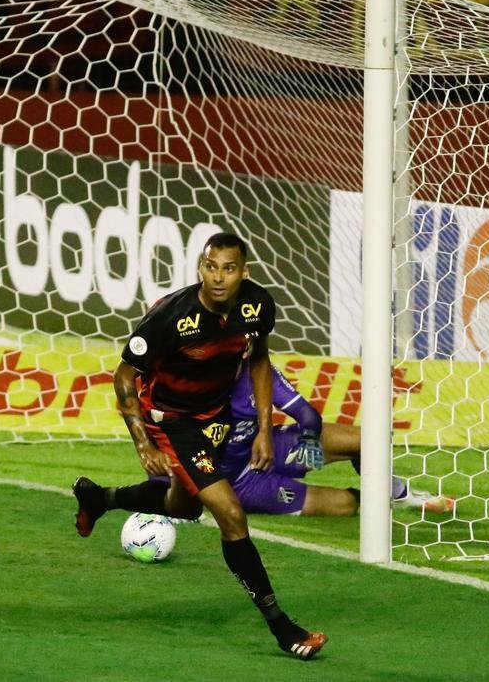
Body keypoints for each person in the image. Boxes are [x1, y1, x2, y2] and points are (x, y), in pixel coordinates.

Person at [73, 232, 327, 661]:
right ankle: (283, 628)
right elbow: (123, 376)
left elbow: (259, 358)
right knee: (229, 512)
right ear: (200, 268)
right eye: (211, 267)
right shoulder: (173, 317)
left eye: (229, 269)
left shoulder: (257, 306)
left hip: (216, 416)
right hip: (169, 420)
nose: (219, 278)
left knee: (186, 506)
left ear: (243, 272)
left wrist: (266, 427)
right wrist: (141, 441)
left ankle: (100, 498)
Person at [221, 360, 457, 517]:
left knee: (367, 440)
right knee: (345, 504)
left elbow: (307, 413)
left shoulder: (259, 370)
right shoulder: (197, 382)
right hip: (241, 483)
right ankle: (370, 500)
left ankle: (399, 495)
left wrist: (310, 437)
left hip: (270, 447)